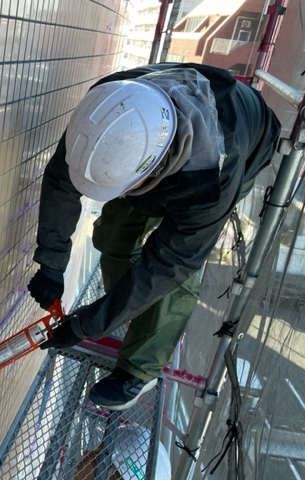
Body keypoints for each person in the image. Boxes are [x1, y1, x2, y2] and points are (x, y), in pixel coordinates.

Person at [27, 63, 281, 410]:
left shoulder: (211, 186)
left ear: (152, 173)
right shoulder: (108, 106)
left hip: (244, 147)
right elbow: (62, 179)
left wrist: (86, 325)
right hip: (166, 136)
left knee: (169, 282)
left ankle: (139, 370)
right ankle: (127, 310)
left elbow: (168, 266)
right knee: (114, 235)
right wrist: (52, 262)